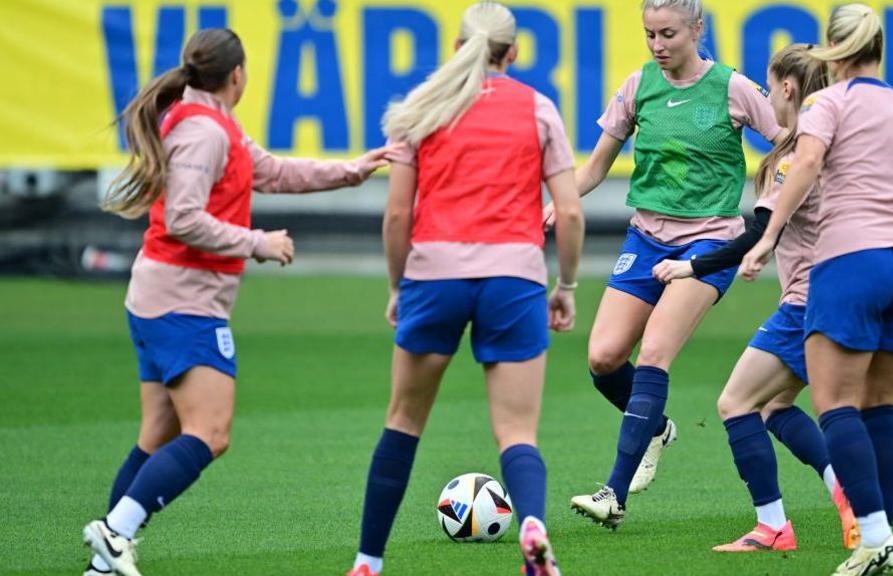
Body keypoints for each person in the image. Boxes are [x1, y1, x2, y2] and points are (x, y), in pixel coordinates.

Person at [82, 28, 396, 576]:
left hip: (161, 296)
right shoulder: (204, 131)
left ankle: (104, 564)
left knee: (158, 436)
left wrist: (354, 170)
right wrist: (258, 242)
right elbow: (183, 218)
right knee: (210, 432)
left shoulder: (209, 121)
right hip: (183, 301)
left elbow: (272, 170)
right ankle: (115, 531)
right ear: (238, 74)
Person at [346, 3, 583, 576]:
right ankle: (532, 528)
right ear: (514, 53)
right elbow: (570, 214)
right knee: (517, 431)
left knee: (403, 421)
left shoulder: (422, 109)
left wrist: (399, 285)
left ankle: (367, 562)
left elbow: (397, 216)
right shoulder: (538, 108)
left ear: (455, 48)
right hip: (514, 278)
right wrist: (566, 285)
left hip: (435, 275)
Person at [739, 4, 893, 574]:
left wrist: (767, 239)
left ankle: (877, 538)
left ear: (834, 52)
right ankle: (881, 533)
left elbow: (806, 162)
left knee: (835, 404)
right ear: (880, 49)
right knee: (881, 404)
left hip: (851, 259)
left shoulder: (826, 103)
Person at [560, 0, 784, 528]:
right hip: (647, 237)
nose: (658, 45)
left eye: (668, 33)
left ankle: (614, 494)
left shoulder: (733, 88)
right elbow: (593, 169)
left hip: (709, 243)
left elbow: (790, 143)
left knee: (656, 351)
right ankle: (657, 428)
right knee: (604, 358)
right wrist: (552, 202)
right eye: (649, 34)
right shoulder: (638, 87)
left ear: (697, 30)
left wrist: (771, 203)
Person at [653, 43, 859, 552]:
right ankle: (844, 491)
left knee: (735, 403)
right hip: (847, 295)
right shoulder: (838, 145)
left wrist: (692, 265)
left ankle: (773, 527)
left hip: (808, 300)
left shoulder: (792, 158)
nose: (767, 98)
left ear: (787, 89)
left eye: (769, 89)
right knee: (776, 405)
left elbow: (758, 233)